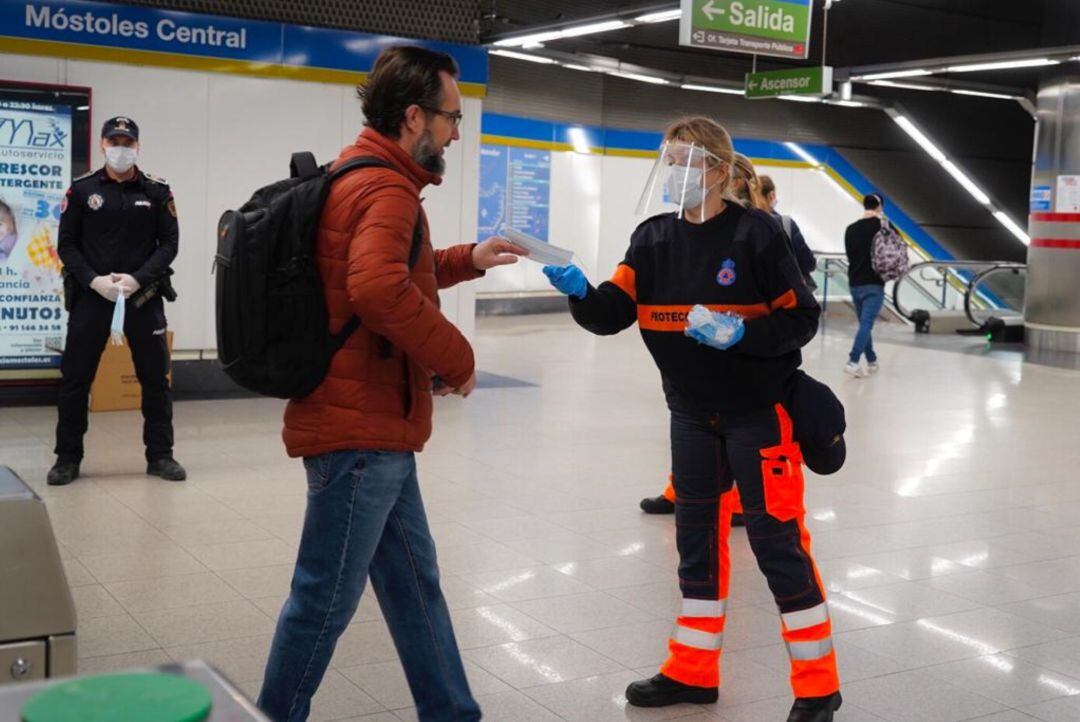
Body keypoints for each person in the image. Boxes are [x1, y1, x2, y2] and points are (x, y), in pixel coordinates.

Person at [257, 46, 525, 722]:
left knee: (414, 588)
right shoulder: (387, 188)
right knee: (322, 601)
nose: (457, 133)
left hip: (373, 425)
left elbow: (395, 267)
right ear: (414, 118)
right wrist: (457, 358)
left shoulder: (360, 173)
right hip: (360, 431)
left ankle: (452, 712)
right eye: (452, 118)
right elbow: (376, 287)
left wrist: (469, 258)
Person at [544, 117, 841, 721]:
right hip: (689, 414)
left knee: (776, 542)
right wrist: (579, 290)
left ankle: (818, 686)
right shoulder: (652, 239)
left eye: (684, 158)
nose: (673, 169)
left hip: (761, 414)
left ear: (717, 170)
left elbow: (801, 317)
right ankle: (692, 669)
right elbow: (612, 312)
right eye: (668, 158)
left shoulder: (757, 235)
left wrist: (743, 334)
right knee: (696, 541)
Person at [48, 116, 184, 486]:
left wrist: (137, 279)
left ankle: (160, 456)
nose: (120, 148)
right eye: (114, 141)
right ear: (103, 145)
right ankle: (67, 458)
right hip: (93, 297)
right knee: (76, 379)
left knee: (156, 379)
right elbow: (67, 245)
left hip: (142, 297)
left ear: (137, 147)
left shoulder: (157, 191)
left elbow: (169, 245)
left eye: (127, 142)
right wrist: (94, 281)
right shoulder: (81, 190)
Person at [844, 193, 886, 378]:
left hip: (855, 282)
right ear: (879, 207)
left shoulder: (850, 229)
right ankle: (853, 361)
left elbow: (850, 255)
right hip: (874, 283)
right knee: (866, 323)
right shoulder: (883, 227)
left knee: (864, 323)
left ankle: (871, 360)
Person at [760, 174, 817, 284]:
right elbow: (808, 263)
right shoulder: (784, 224)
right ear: (772, 195)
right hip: (783, 292)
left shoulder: (737, 224)